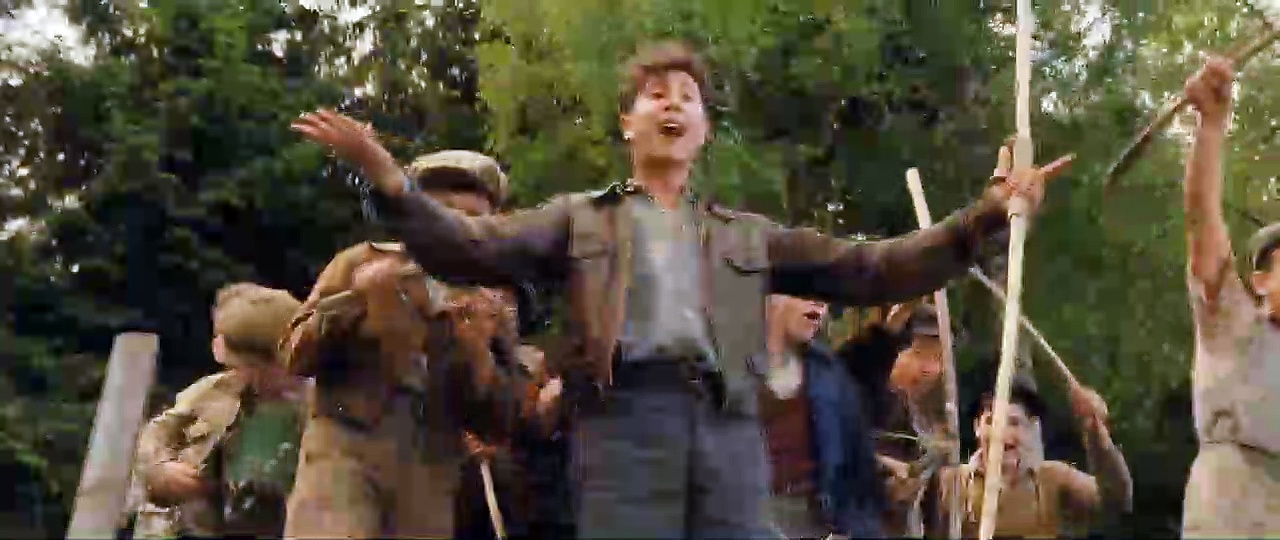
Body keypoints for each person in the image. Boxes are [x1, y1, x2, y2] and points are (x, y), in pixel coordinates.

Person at [290, 40, 1072, 539]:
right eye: (655, 94)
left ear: (703, 130)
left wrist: (984, 215)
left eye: (687, 97)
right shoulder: (578, 221)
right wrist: (390, 180)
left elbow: (874, 267)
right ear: (627, 123)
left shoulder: (749, 237)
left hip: (726, 427)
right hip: (622, 427)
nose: (672, 104)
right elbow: (466, 246)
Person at [281, 150, 531, 538]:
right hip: (343, 464)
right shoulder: (359, 262)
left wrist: (478, 352)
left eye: (473, 218)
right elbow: (294, 356)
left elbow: (501, 422)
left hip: (428, 481)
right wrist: (359, 302)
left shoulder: (491, 297)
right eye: (444, 212)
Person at [1179, 55, 1280, 537]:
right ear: (1260, 281)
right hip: (1231, 505)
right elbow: (1203, 222)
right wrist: (1211, 127)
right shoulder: (1235, 323)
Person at [133, 283, 306, 538]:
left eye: (268, 369)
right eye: (244, 368)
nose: (256, 378)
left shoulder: (317, 407)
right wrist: (160, 469)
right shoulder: (212, 393)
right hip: (210, 525)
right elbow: (157, 434)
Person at [884, 376, 1131, 538]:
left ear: (1031, 429)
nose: (1002, 433)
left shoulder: (1053, 479)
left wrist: (1095, 432)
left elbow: (1116, 498)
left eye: (1014, 422)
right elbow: (892, 510)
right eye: (992, 421)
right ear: (977, 428)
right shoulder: (948, 484)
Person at [759, 294, 883, 539]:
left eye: (823, 296)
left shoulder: (831, 377)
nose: (818, 303)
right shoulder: (720, 370)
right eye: (804, 292)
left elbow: (858, 483)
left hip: (810, 522)